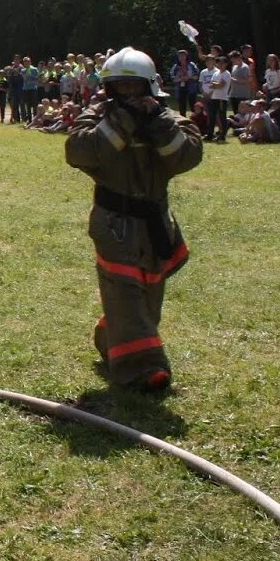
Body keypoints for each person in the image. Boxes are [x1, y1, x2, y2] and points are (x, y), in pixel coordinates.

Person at [65, 47, 203, 393]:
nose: (128, 95)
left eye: (134, 88)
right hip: (114, 224)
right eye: (121, 88)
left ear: (149, 87)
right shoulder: (96, 117)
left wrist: (156, 122)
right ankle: (144, 368)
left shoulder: (166, 118)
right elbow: (79, 151)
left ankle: (111, 338)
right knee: (125, 290)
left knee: (146, 297)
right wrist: (123, 121)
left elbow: (186, 156)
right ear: (110, 89)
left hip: (156, 223)